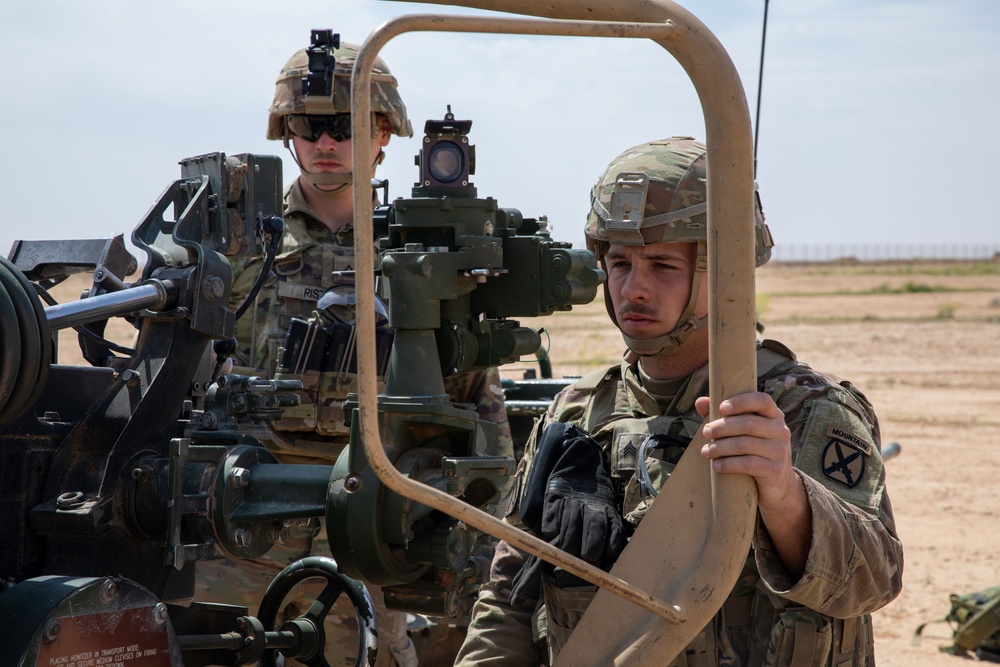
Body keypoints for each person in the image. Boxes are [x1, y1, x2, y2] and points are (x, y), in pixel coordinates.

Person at [454, 136, 903, 666]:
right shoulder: (576, 411)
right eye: (619, 263)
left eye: (663, 265)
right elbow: (510, 593)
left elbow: (873, 579)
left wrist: (784, 494)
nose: (633, 289)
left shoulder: (800, 410)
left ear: (727, 271)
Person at [195, 39, 512, 667]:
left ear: (384, 131)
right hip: (241, 521)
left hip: (372, 520)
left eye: (344, 125)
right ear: (288, 132)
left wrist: (485, 537)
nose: (325, 142)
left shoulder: (425, 250)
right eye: (308, 126)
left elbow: (480, 402)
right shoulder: (232, 241)